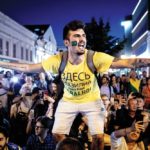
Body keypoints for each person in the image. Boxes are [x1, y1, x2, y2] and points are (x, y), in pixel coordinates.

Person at [0, 20, 150, 150]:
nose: (82, 39)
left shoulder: (94, 57)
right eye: (76, 36)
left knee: (97, 137)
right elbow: (27, 67)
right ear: (67, 42)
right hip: (69, 100)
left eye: (83, 35)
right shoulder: (58, 60)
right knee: (56, 134)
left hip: (92, 100)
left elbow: (127, 62)